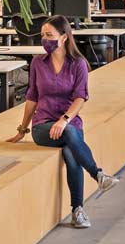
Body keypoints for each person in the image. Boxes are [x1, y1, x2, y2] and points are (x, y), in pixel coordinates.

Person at [7, 14, 117, 228]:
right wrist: (22, 129)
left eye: (49, 35)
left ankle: (78, 210)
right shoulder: (38, 63)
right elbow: (32, 97)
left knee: (70, 151)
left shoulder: (78, 64)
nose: (44, 39)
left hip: (69, 124)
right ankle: (98, 175)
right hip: (43, 125)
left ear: (65, 37)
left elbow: (80, 97)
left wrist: (65, 120)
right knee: (69, 136)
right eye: (42, 35)